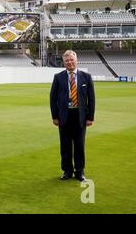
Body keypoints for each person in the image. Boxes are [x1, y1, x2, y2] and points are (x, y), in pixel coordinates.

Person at [50, 50, 95, 182]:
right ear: (63, 62)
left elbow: (91, 99)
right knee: (65, 146)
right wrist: (55, 116)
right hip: (64, 116)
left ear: (76, 61)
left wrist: (90, 117)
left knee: (80, 146)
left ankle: (79, 172)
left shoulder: (86, 77)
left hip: (80, 116)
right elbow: (53, 99)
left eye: (71, 60)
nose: (69, 62)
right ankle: (67, 171)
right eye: (67, 60)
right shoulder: (58, 77)